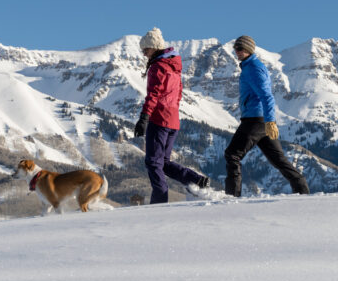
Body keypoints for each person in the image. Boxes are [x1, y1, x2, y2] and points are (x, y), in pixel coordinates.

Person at [224, 35, 310, 196]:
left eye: (240, 48)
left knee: (232, 154)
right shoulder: (249, 67)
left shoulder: (254, 68)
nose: (237, 51)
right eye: (236, 48)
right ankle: (301, 188)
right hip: (260, 120)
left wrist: (270, 121)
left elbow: (267, 96)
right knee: (278, 160)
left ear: (249, 49)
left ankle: (231, 196)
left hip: (255, 120)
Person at [133, 27, 209, 203]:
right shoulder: (174, 68)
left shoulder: (157, 67)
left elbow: (153, 94)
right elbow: (179, 94)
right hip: (173, 120)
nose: (144, 54)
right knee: (164, 163)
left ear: (154, 48)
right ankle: (196, 180)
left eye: (146, 50)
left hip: (159, 119)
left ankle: (159, 201)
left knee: (153, 162)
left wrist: (144, 117)